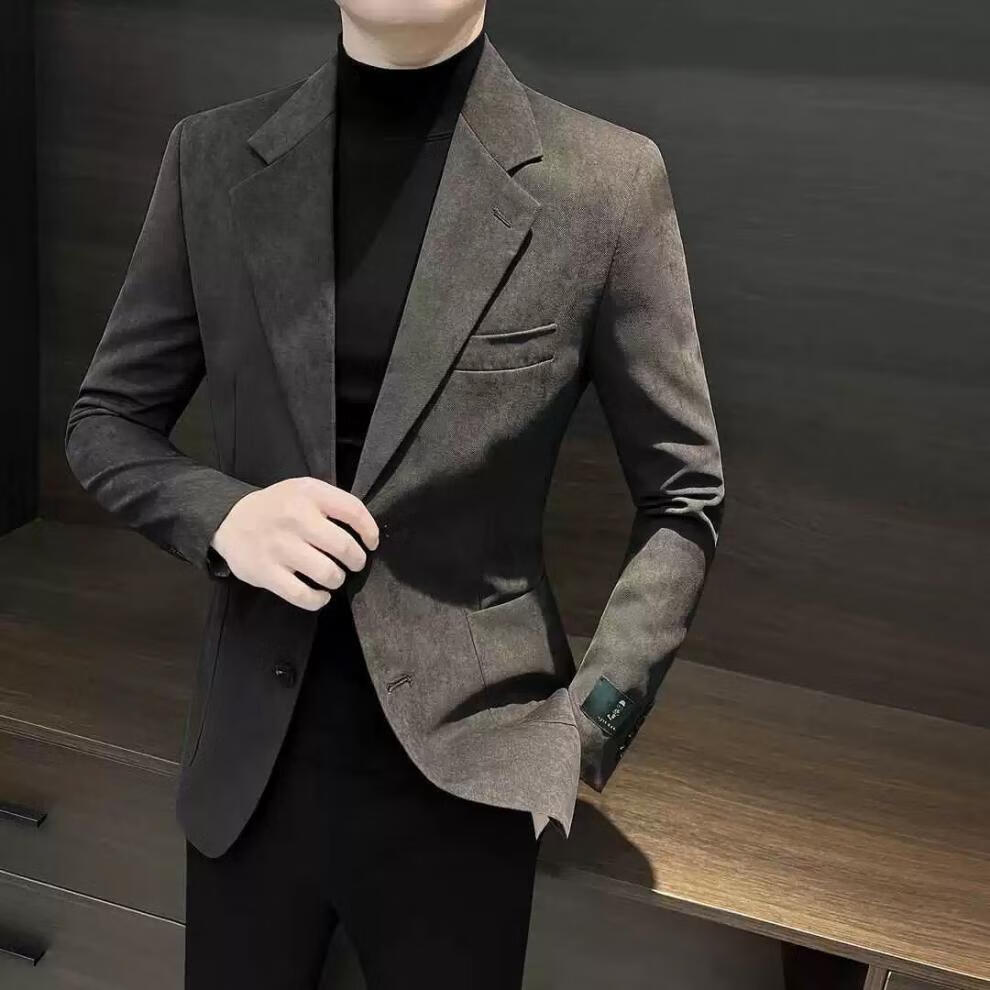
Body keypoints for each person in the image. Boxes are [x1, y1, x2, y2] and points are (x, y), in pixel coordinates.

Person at [64, 1, 726, 987]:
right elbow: (105, 420)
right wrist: (225, 516)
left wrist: (586, 732)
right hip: (251, 767)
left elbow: (684, 496)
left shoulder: (606, 183)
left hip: (473, 781)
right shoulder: (211, 158)